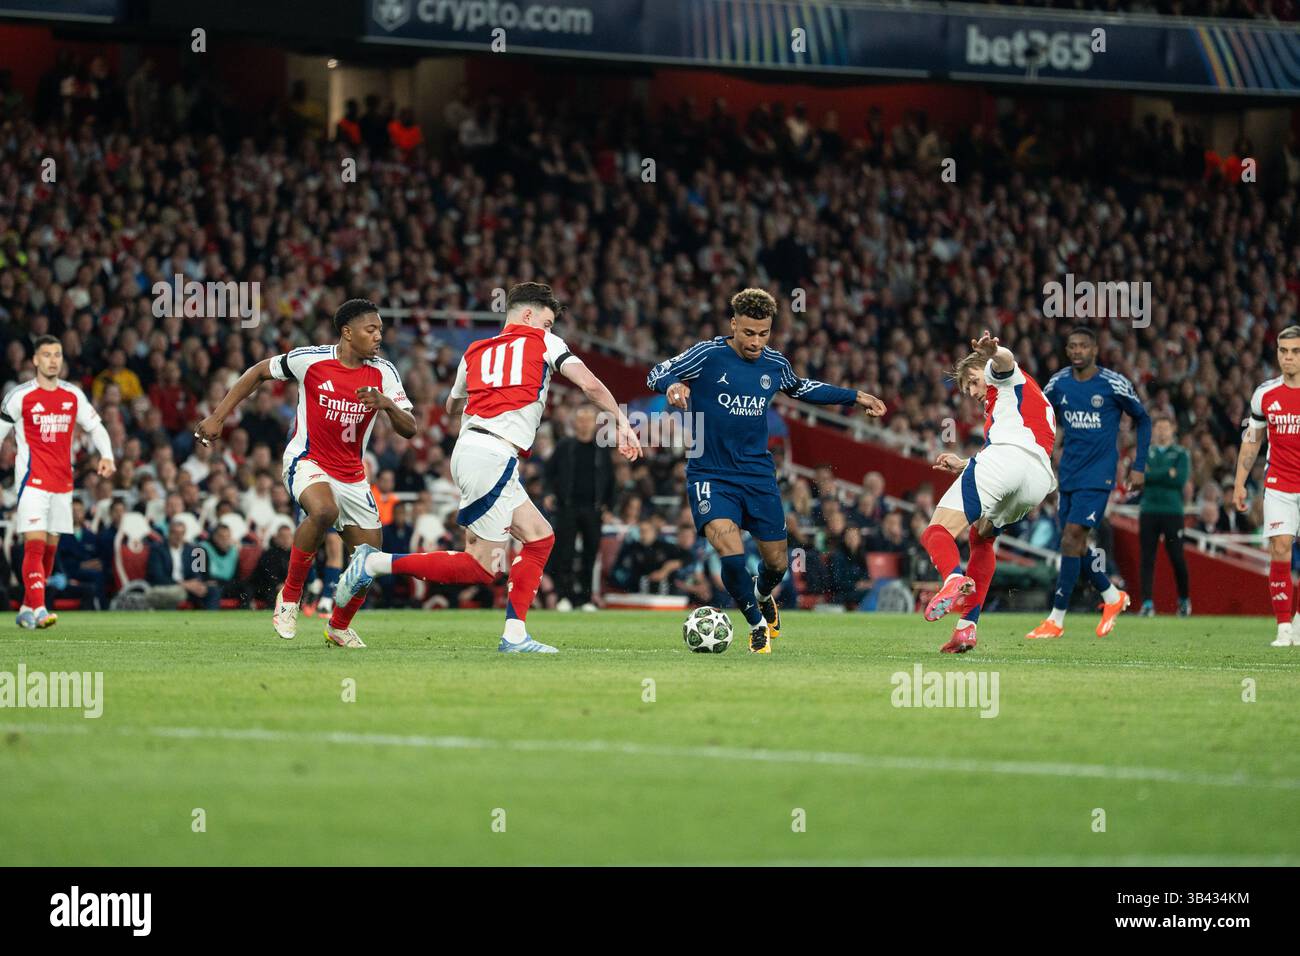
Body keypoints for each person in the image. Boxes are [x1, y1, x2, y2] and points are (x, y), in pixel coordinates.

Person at [335, 282, 641, 653]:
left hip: (475, 450)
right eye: (547, 322)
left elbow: (451, 406)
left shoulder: (475, 351)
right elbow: (589, 385)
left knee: (540, 536)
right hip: (493, 455)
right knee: (482, 567)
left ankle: (515, 634)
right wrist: (621, 421)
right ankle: (375, 563)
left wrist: (489, 399)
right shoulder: (544, 343)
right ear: (528, 316)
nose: (549, 329)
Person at [647, 287, 885, 653]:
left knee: (776, 563)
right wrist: (673, 384)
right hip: (709, 473)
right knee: (729, 548)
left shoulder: (774, 364)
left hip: (757, 475)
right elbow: (657, 372)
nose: (756, 341)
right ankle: (756, 624)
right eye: (748, 333)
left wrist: (855, 396)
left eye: (763, 333)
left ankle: (761, 595)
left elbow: (803, 388)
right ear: (733, 324)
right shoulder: (706, 355)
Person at [195, 299, 416, 647]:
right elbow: (257, 372)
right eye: (370, 329)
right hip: (307, 461)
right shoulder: (309, 360)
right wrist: (218, 416)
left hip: (353, 476)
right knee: (324, 511)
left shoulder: (384, 372)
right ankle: (290, 595)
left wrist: (386, 404)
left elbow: (410, 429)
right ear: (347, 332)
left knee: (369, 562)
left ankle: (338, 627)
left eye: (380, 331)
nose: (378, 337)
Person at [922, 331, 1057, 653]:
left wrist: (995, 351)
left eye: (971, 381)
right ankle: (967, 628)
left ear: (983, 369)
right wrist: (967, 464)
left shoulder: (1001, 375)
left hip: (1005, 461)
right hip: (1037, 479)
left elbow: (1005, 361)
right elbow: (1018, 449)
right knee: (981, 537)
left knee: (935, 531)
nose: (971, 392)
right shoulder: (1026, 396)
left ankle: (953, 579)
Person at [1030, 326, 1150, 641]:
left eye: (1083, 346)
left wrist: (1139, 465)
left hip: (1099, 476)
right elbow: (1039, 412)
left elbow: (1144, 418)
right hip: (1067, 474)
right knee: (1074, 544)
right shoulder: (1059, 383)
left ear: (1095, 350)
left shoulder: (1113, 384)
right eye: (1072, 346)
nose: (1077, 351)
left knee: (1071, 538)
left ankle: (1056, 620)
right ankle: (1112, 596)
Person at [0, 335, 116, 628]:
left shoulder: (73, 395)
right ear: (35, 360)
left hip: (63, 484)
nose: (53, 360)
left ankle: (27, 606)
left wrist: (107, 455)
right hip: (32, 483)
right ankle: (40, 609)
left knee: (51, 550)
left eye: (57, 354)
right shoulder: (19, 396)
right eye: (47, 355)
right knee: (35, 548)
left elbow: (96, 426)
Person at [1233, 325, 1300, 647]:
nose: (1288, 358)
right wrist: (1239, 484)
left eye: (1295, 352)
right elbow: (1252, 440)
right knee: (1280, 547)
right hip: (1279, 484)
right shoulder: (1265, 394)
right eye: (1283, 351)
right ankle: (1284, 626)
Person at [545, 405, 614, 610]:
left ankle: (585, 599)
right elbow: (549, 472)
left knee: (590, 555)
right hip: (567, 507)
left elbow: (610, 480)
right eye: (581, 419)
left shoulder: (603, 448)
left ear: (594, 424)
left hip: (593, 510)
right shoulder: (565, 445)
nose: (584, 424)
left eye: (588, 420)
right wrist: (549, 493)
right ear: (575, 423)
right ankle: (563, 597)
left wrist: (609, 507)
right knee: (563, 554)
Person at [1138, 415, 1191, 616]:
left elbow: (1180, 480)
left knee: (1177, 557)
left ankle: (1184, 600)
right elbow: (1141, 478)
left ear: (1172, 430)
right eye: (1158, 427)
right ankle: (1147, 603)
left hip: (1172, 511)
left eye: (1165, 428)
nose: (1161, 431)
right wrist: (1166, 473)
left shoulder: (1181, 453)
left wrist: (1152, 475)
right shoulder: (1146, 451)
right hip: (1149, 510)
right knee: (1147, 558)